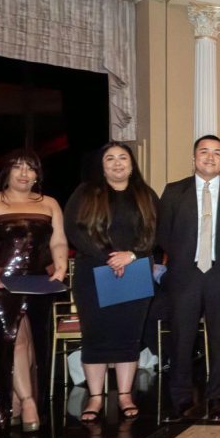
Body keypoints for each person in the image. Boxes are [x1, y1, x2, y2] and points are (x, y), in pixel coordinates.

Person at [0, 150, 68, 431]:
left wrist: (60, 267)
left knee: (33, 343)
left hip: (38, 283)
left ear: (38, 174)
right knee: (14, 340)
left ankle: (16, 399)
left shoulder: (50, 203)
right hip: (0, 282)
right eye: (18, 168)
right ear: (7, 171)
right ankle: (28, 403)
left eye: (30, 169)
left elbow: (59, 241)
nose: (24, 174)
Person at [64, 143, 159, 422]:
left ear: (132, 165)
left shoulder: (145, 194)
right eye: (110, 158)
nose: (117, 163)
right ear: (102, 165)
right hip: (93, 271)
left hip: (136, 269)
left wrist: (132, 254)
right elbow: (73, 229)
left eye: (123, 158)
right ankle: (94, 397)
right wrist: (108, 257)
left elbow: (156, 230)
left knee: (128, 334)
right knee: (96, 334)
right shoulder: (84, 192)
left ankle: (125, 394)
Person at [157, 135, 220, 420]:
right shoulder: (173, 192)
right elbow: (163, 235)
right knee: (181, 339)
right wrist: (181, 260)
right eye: (204, 152)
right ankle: (180, 398)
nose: (210, 157)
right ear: (194, 157)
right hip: (185, 276)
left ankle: (216, 399)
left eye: (217, 153)